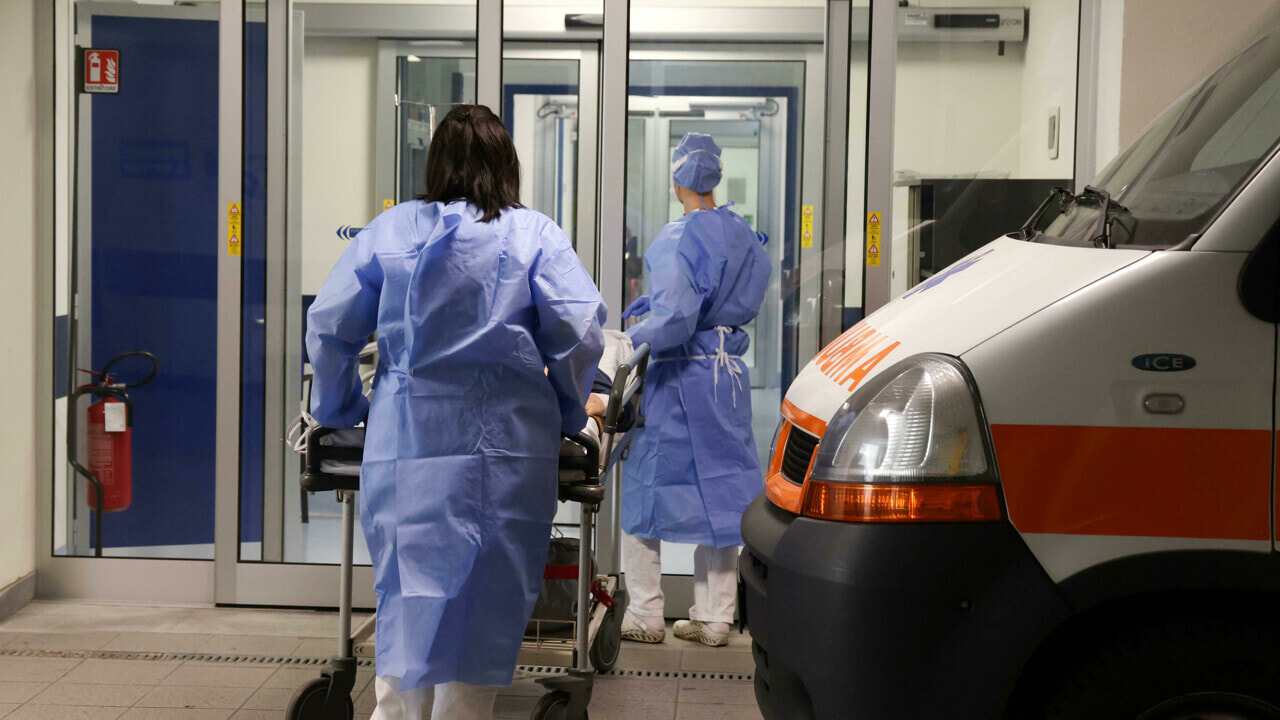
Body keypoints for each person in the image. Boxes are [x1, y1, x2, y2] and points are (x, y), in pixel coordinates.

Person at [306, 105, 606, 720]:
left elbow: (330, 326)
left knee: (408, 605)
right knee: (485, 608)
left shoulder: (391, 231)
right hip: (508, 452)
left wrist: (340, 408)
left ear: (436, 162)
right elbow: (580, 333)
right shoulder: (534, 235)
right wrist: (569, 411)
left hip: (407, 447)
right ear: (507, 165)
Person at [619, 133, 771, 648]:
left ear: (678, 180)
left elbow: (675, 319)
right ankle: (714, 619)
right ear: (716, 178)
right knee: (725, 493)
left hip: (679, 376)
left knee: (645, 489)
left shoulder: (677, 239)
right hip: (725, 379)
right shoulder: (744, 235)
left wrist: (630, 336)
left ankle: (644, 613)